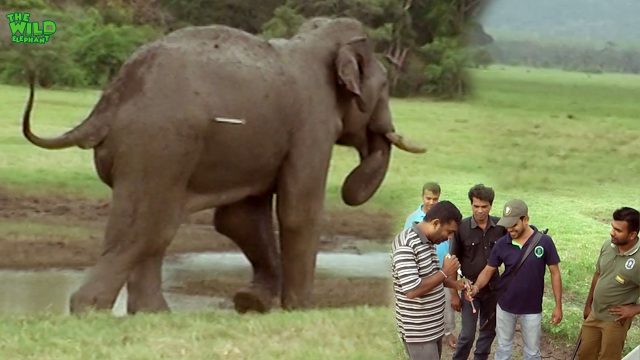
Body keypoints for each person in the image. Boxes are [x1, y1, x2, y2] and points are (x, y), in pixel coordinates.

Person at [470, 199, 563, 360]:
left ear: (525, 219)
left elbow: (555, 273)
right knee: (503, 348)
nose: (510, 229)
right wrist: (476, 287)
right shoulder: (501, 244)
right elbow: (488, 270)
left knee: (532, 352)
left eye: (514, 224)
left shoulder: (544, 242)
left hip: (532, 308)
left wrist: (558, 305)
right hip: (505, 305)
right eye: (507, 225)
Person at [392, 201, 467, 360]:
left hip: (433, 326)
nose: (449, 238)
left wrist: (456, 284)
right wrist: (445, 272)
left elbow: (432, 277)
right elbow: (412, 290)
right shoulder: (406, 244)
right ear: (436, 223)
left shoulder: (428, 241)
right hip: (419, 332)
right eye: (449, 232)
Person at [449, 184, 507, 360]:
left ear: (491, 205)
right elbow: (452, 262)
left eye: (484, 206)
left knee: (488, 331)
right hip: (469, 290)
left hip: (493, 289)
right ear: (471, 204)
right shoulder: (461, 228)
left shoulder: (500, 227)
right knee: (467, 334)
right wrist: (454, 294)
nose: (480, 211)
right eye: (476, 206)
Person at [577, 207, 640, 360]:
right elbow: (598, 274)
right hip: (594, 313)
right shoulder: (608, 245)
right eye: (612, 227)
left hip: (615, 321)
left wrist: (635, 309)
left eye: (618, 230)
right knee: (585, 354)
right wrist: (588, 304)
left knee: (608, 357)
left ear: (632, 235)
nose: (612, 232)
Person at [403, 182, 457, 348]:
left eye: (436, 199)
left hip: (443, 268)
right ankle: (430, 334)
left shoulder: (445, 220)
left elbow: (451, 246)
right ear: (422, 197)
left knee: (446, 302)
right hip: (425, 270)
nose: (432, 202)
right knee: (426, 301)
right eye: (429, 198)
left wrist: (454, 280)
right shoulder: (412, 221)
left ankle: (447, 332)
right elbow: (412, 290)